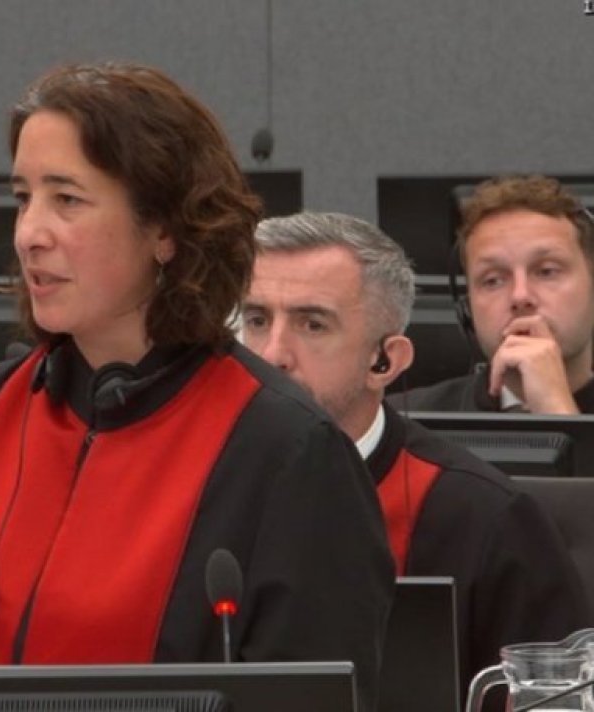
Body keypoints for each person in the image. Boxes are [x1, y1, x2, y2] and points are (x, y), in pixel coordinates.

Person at [0, 62, 395, 712]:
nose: (29, 234)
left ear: (165, 230)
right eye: (23, 198)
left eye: (67, 200)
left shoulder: (288, 451)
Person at [240, 211, 591, 699]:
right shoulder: (198, 490)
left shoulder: (487, 519)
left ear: (385, 362)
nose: (272, 354)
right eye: (257, 320)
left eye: (312, 324)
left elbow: (555, 699)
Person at [403, 175, 594, 413]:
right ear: (467, 308)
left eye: (546, 271)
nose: (520, 296)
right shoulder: (406, 419)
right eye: (493, 280)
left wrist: (556, 408)